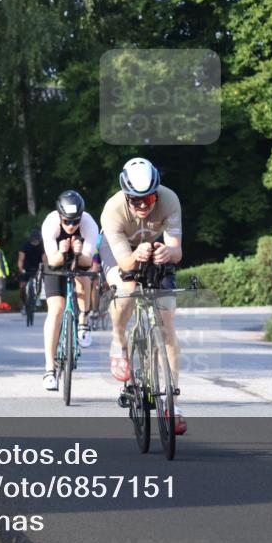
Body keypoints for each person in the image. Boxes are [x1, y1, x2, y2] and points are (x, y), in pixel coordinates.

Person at [99, 157, 186, 434]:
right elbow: (125, 264)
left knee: (167, 326)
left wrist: (167, 252)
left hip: (153, 249)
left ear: (157, 193)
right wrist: (134, 256)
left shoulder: (170, 200)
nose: (142, 206)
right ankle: (118, 340)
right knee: (127, 289)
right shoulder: (112, 210)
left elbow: (177, 251)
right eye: (135, 200)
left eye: (148, 199)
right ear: (126, 195)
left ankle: (174, 404)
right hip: (120, 252)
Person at [40, 190, 99, 391]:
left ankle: (83, 321)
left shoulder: (89, 223)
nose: (72, 226)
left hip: (79, 259)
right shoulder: (50, 223)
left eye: (76, 221)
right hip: (55, 263)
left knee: (84, 274)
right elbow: (53, 260)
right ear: (59, 216)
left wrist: (78, 252)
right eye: (67, 221)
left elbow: (87, 261)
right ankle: (49, 368)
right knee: (56, 310)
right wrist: (63, 251)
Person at [18, 229, 44, 314]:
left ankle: (37, 297)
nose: (35, 242)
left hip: (38, 268)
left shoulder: (42, 247)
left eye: (36, 240)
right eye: (33, 240)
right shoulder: (25, 246)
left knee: (40, 283)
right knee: (22, 287)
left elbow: (45, 259)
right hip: (26, 268)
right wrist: (21, 269)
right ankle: (25, 305)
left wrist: (45, 269)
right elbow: (21, 259)